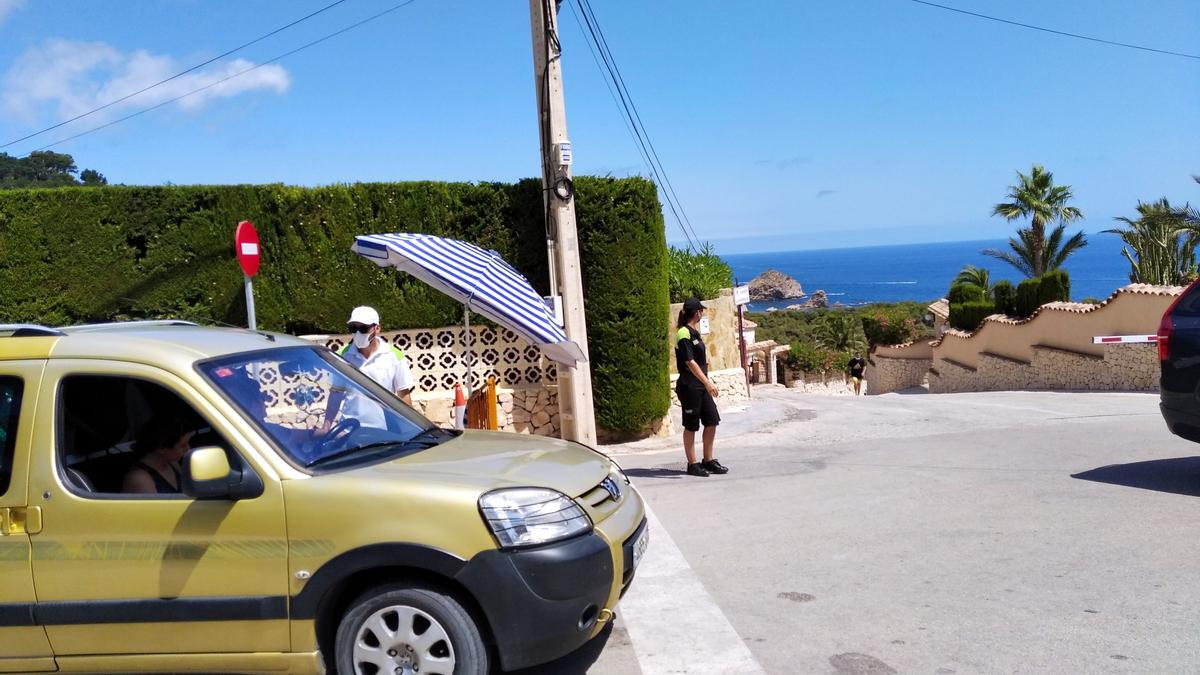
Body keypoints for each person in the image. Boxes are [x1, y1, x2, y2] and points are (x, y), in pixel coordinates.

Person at [674, 297, 728, 477]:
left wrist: (705, 382)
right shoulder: (683, 333)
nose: (701, 313)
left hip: (701, 384)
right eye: (700, 311)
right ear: (697, 313)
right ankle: (692, 464)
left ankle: (708, 460)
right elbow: (689, 362)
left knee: (712, 420)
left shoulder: (694, 332)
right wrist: (707, 382)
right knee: (691, 426)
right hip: (690, 385)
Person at [339, 306, 415, 405]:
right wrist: (328, 421)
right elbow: (336, 392)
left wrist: (407, 420)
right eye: (353, 328)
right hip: (352, 419)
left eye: (363, 328)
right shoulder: (342, 356)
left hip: (383, 420)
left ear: (377, 328)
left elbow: (403, 394)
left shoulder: (394, 356)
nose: (358, 333)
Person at [123, 419, 193, 495]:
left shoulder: (172, 463)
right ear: (161, 448)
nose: (188, 449)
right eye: (183, 446)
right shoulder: (140, 479)